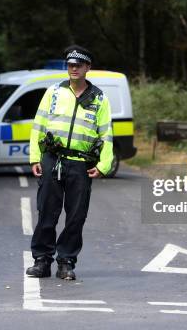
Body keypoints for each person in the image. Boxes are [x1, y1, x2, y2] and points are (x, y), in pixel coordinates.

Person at [26, 45, 114, 280]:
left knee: (76, 216)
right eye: (70, 65)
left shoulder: (100, 99)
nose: (73, 68)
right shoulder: (53, 92)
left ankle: (66, 262)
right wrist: (35, 157)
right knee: (47, 212)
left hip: (80, 165)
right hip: (52, 160)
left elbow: (106, 134)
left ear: (88, 68)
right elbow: (38, 126)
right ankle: (42, 261)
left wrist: (104, 164)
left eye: (79, 65)